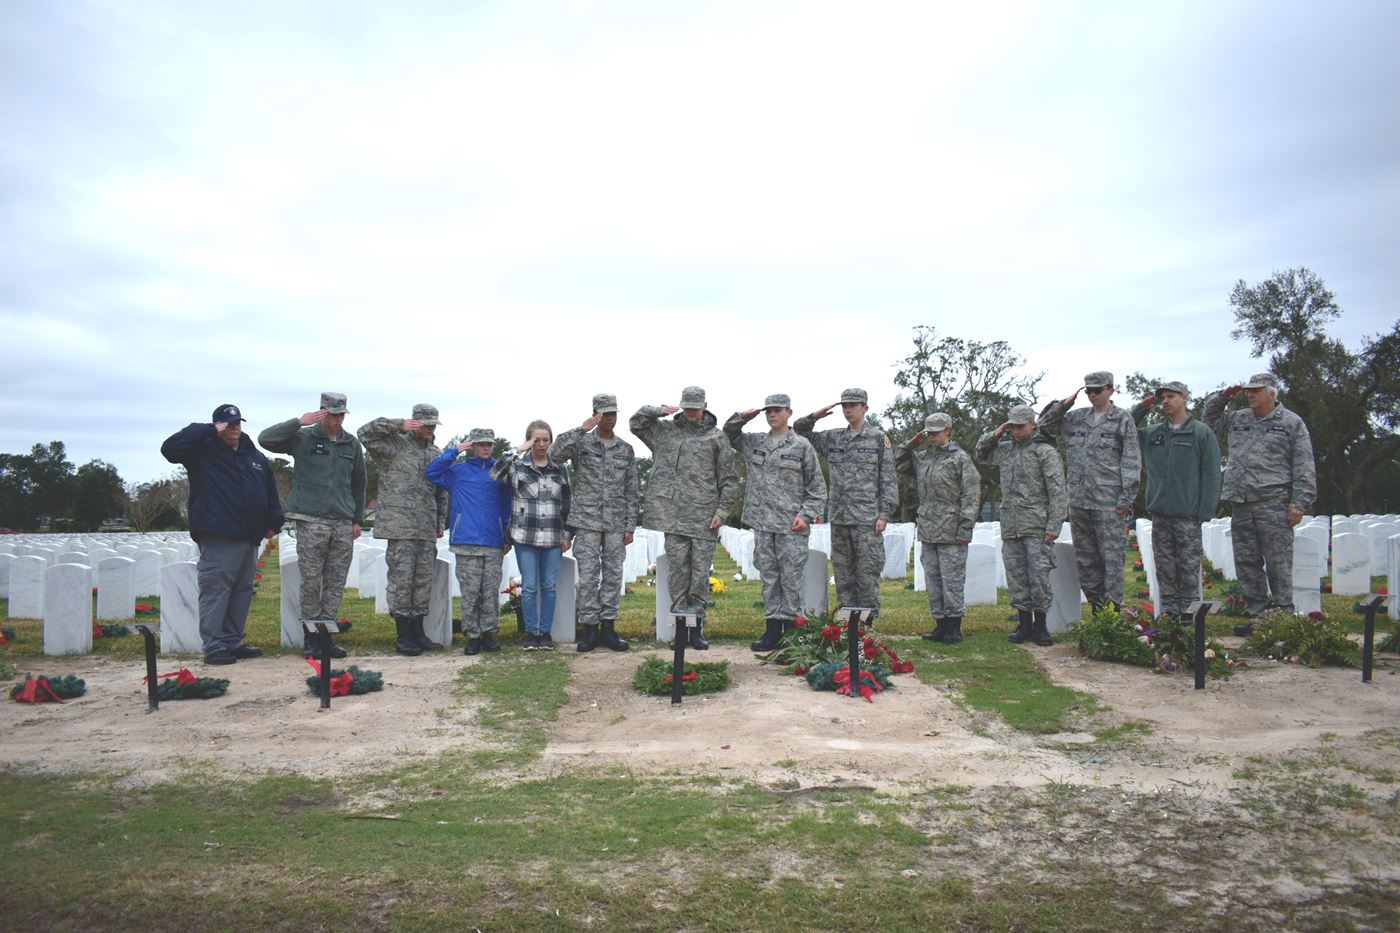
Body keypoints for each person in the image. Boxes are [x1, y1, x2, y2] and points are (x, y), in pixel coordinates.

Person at [161, 403, 283, 665]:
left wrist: (275, 519)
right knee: (216, 590)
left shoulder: (254, 456)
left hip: (249, 534)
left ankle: (232, 641)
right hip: (219, 532)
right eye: (228, 424)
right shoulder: (202, 452)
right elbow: (169, 449)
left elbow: (269, 489)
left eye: (238, 423)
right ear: (217, 425)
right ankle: (214, 645)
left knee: (241, 590)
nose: (235, 428)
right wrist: (206, 430)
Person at [1202, 373, 1316, 631]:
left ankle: (1282, 614)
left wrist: (1299, 503)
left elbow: (1304, 465)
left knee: (1278, 561)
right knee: (1246, 561)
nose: (1250, 394)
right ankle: (1258, 614)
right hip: (1241, 501)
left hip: (1274, 501)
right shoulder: (1238, 417)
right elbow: (1208, 419)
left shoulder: (1291, 422)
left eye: (1257, 390)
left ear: (1272, 394)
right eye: (1249, 390)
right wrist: (1223, 396)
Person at [258, 392, 366, 659]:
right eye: (332, 414)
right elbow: (265, 439)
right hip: (311, 518)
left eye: (341, 415)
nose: (337, 420)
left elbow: (359, 484)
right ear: (322, 412)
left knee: (336, 580)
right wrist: (298, 421)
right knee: (311, 580)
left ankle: (326, 635)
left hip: (341, 520)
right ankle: (311, 637)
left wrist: (357, 520)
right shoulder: (303, 437)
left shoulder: (351, 443)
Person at [630, 386, 739, 650]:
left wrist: (722, 512)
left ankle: (697, 628)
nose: (691, 412)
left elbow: (729, 480)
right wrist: (656, 410)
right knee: (678, 574)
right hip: (673, 517)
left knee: (700, 575)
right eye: (686, 407)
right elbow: (636, 424)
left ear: (705, 406)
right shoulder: (664, 431)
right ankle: (680, 628)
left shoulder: (717, 438)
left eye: (695, 407)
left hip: (704, 518)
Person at [723, 394, 827, 652]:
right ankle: (771, 629)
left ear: (789, 412)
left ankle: (791, 629)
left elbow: (817, 488)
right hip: (762, 523)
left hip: (791, 525)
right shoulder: (755, 442)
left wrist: (805, 515)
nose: (772, 414)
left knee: (791, 578)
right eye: (768, 410)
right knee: (769, 577)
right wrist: (742, 417)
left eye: (777, 410)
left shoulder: (801, 446)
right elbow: (728, 434)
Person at [1037, 371, 1141, 613]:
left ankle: (1113, 610)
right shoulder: (1076, 418)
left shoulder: (1122, 420)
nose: (1093, 395)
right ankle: (1097, 607)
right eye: (1089, 391)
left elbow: (1132, 462)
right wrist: (1063, 405)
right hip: (1079, 501)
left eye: (1098, 390)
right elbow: (1044, 426)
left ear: (1110, 390)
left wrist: (1126, 499)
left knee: (1111, 561)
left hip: (1110, 503)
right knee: (1085, 560)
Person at [794, 388, 897, 619]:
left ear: (865, 408)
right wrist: (815, 416)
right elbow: (800, 431)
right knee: (843, 574)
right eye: (844, 406)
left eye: (853, 405)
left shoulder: (878, 439)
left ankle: (867, 625)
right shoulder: (834, 437)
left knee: (866, 573)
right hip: (840, 517)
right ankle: (848, 624)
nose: (848, 410)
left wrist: (884, 514)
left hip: (867, 518)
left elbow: (888, 479)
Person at [549, 394, 639, 653]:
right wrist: (580, 429)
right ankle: (590, 629)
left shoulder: (625, 449)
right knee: (588, 577)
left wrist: (630, 525)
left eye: (613, 414)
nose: (609, 419)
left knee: (612, 576)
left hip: (614, 523)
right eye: (604, 414)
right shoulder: (581, 443)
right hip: (586, 522)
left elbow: (632, 490)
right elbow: (554, 455)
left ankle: (609, 628)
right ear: (595, 414)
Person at [358, 404, 448, 656]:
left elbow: (441, 492)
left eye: (432, 424)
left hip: (426, 527)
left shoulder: (436, 453)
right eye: (425, 424)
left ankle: (418, 632)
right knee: (401, 581)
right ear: (414, 422)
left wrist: (440, 523)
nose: (429, 429)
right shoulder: (393, 446)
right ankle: (403, 635)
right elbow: (364, 433)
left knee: (422, 581)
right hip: (400, 526)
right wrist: (397, 424)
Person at [976, 404, 1067, 646]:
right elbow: (981, 454)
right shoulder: (1005, 450)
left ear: (1033, 424)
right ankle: (1023, 622)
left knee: (1038, 576)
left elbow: (1058, 492)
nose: (1015, 431)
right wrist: (995, 434)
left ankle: (1041, 625)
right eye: (1012, 426)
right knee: (1016, 576)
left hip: (1037, 525)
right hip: (1011, 524)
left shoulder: (1045, 452)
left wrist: (1053, 526)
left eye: (1020, 426)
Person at [1130, 382, 1222, 621]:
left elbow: (1212, 473)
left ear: (1185, 398)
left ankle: (1190, 617)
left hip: (1188, 515)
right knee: (1165, 569)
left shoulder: (1201, 433)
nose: (1166, 402)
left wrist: (1205, 511)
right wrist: (1142, 407)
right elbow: (1126, 430)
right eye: (1163, 398)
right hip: (1160, 514)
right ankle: (1170, 614)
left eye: (1171, 396)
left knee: (1188, 569)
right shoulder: (1154, 433)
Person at [896, 412, 980, 644]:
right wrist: (910, 444)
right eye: (929, 433)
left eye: (936, 432)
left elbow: (971, 495)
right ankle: (940, 624)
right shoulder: (923, 457)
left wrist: (965, 529)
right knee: (933, 579)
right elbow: (897, 461)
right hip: (929, 528)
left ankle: (954, 626)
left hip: (952, 529)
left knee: (951, 579)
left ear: (948, 432)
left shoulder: (960, 459)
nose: (932, 437)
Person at [426, 428, 511, 655]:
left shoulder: (499, 472)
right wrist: (454, 451)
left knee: (491, 592)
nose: (485, 448)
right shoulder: (457, 472)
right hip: (466, 540)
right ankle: (472, 635)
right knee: (470, 593)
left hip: (493, 541)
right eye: (480, 444)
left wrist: (506, 534)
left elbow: (507, 503)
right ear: (472, 446)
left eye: (489, 444)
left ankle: (489, 634)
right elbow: (432, 472)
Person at [492, 420, 571, 650]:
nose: (542, 444)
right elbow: (496, 473)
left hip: (553, 536)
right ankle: (530, 633)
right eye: (536, 440)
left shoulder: (559, 469)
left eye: (546, 440)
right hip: (525, 535)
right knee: (529, 586)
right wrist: (519, 448)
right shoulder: (517, 466)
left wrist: (567, 535)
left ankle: (544, 633)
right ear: (529, 440)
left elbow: (567, 504)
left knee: (548, 586)